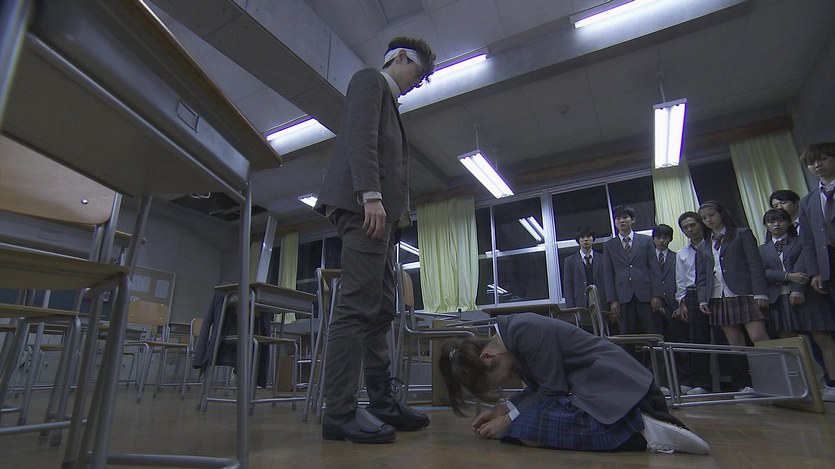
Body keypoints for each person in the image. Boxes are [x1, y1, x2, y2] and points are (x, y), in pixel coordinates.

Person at [313, 36, 436, 443]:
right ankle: (340, 411)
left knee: (382, 308)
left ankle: (381, 402)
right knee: (356, 307)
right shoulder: (369, 80)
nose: (418, 82)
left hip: (383, 220)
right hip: (363, 208)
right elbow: (359, 137)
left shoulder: (391, 101)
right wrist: (371, 195)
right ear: (400, 57)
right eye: (419, 72)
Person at [437, 313, 710, 454]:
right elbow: (538, 389)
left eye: (495, 382)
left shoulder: (523, 330)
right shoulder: (513, 339)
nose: (505, 380)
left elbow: (551, 391)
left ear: (488, 357)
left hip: (621, 389)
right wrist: (502, 411)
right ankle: (641, 430)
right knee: (522, 430)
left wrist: (507, 420)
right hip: (600, 391)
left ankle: (641, 433)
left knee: (526, 428)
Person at [759, 208, 835, 401]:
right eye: (771, 221)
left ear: (789, 222)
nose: (776, 224)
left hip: (808, 296)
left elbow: (806, 265)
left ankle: (832, 384)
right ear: (766, 225)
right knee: (789, 344)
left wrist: (797, 288)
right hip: (779, 299)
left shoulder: (802, 241)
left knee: (823, 339)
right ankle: (801, 386)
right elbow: (762, 273)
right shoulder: (762, 249)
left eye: (781, 220)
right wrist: (787, 276)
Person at [696, 201, 770, 393]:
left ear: (721, 214)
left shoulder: (741, 234)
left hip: (745, 292)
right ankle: (745, 385)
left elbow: (755, 265)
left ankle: (773, 380)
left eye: (711, 215)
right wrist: (703, 298)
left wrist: (760, 292)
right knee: (734, 342)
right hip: (718, 296)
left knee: (758, 336)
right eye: (704, 218)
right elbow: (702, 276)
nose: (708, 220)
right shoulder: (704, 244)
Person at [602, 206, 664, 339]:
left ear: (633, 220)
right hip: (622, 296)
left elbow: (654, 269)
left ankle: (656, 354)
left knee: (652, 333)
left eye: (625, 217)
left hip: (646, 295)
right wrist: (612, 300)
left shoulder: (646, 240)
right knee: (627, 335)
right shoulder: (609, 245)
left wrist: (657, 294)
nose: (621, 221)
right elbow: (608, 274)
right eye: (618, 218)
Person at [673, 212, 714, 395]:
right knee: (697, 339)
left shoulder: (713, 244)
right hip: (692, 295)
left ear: (701, 224)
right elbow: (681, 281)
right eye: (685, 227)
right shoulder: (682, 253)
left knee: (725, 337)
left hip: (715, 291)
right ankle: (701, 383)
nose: (690, 229)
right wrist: (681, 304)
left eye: (693, 225)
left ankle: (736, 381)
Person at [653, 224, 688, 393]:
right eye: (658, 237)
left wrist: (680, 304)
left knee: (679, 344)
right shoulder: (648, 258)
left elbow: (682, 281)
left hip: (674, 305)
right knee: (658, 347)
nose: (661, 241)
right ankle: (663, 383)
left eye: (665, 237)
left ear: (670, 239)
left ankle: (683, 381)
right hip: (655, 307)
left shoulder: (677, 256)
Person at [798, 142, 835, 302]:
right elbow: (808, 241)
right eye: (811, 163)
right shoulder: (807, 201)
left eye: (823, 159)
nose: (817, 165)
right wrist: (815, 272)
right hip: (829, 263)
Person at [562, 227, 606, 309]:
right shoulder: (570, 261)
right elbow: (568, 287)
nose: (585, 239)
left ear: (593, 239)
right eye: (582, 237)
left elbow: (608, 281)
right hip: (580, 304)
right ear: (578, 240)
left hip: (602, 303)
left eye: (588, 236)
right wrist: (570, 309)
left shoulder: (603, 258)